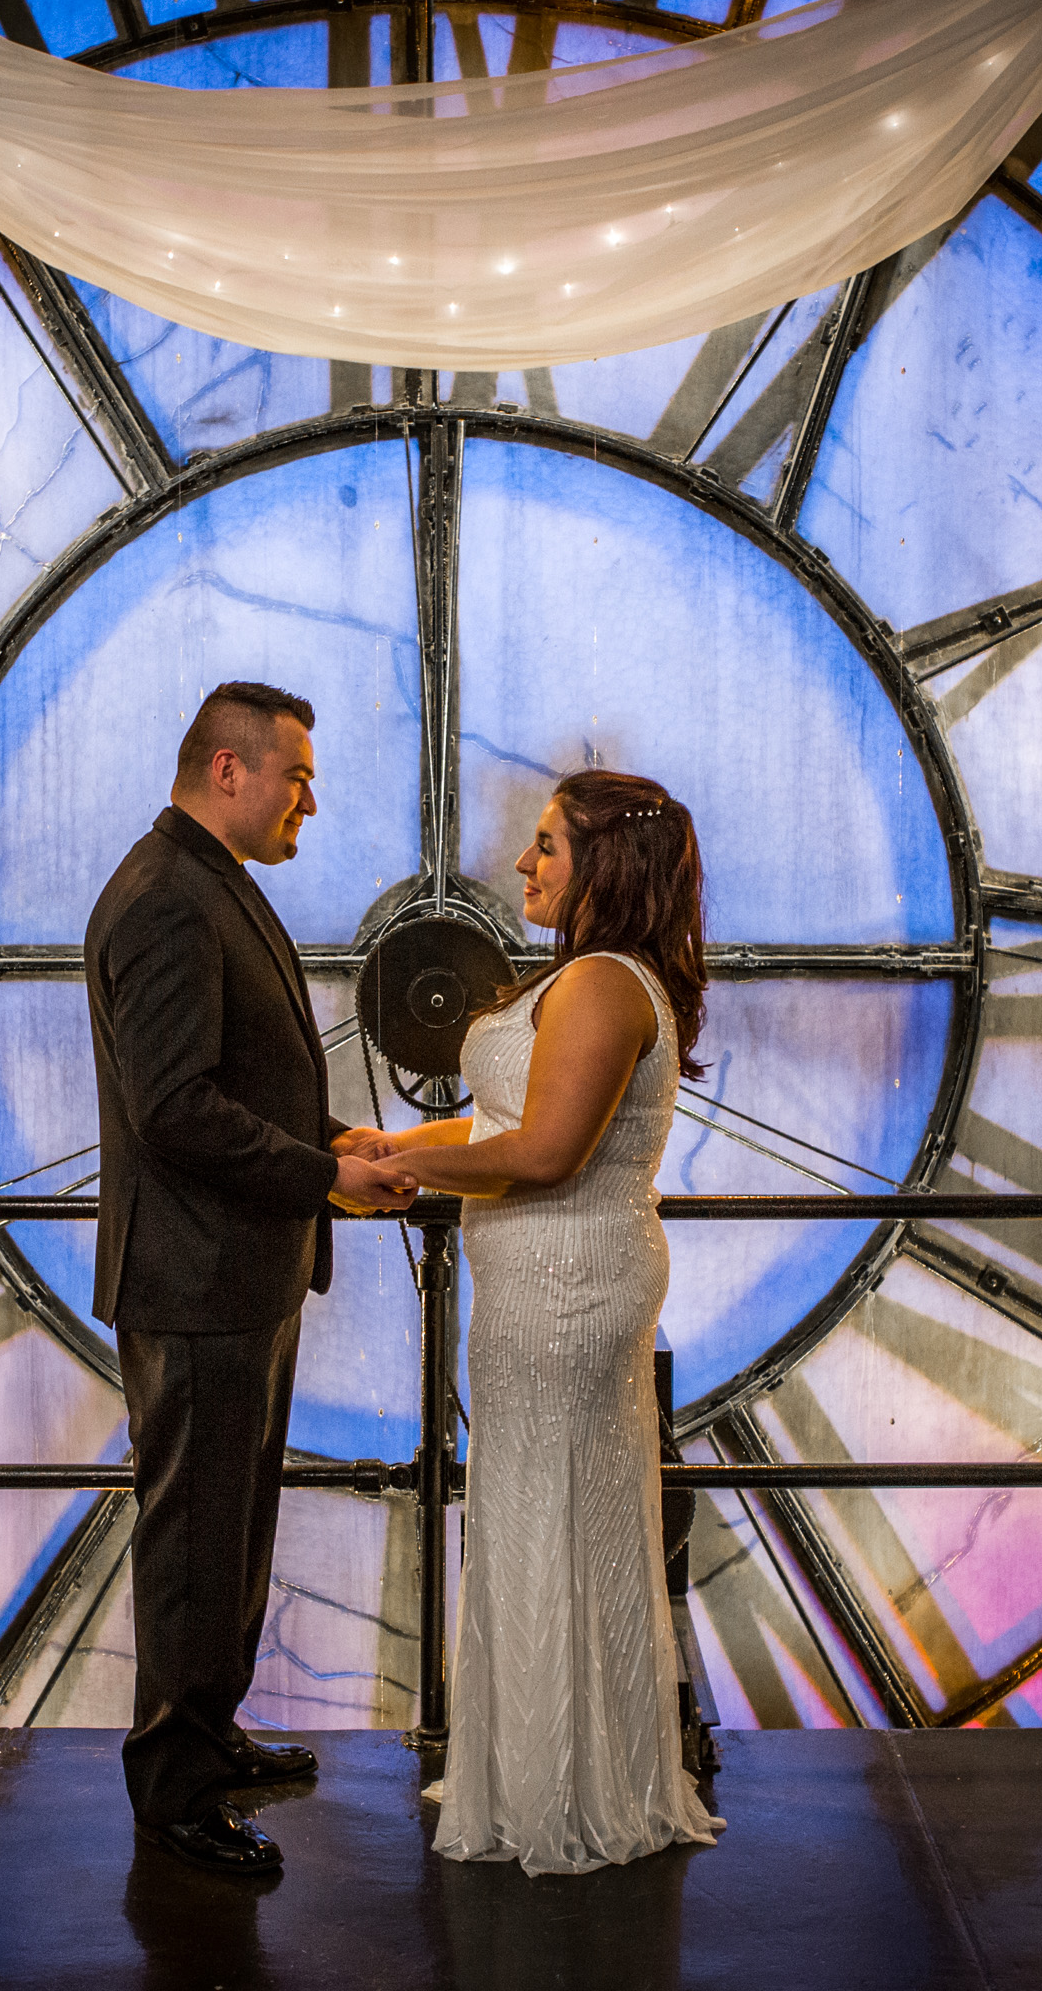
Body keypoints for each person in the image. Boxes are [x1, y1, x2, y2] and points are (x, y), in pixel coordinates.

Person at [86, 680, 415, 1878]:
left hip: (231, 1275)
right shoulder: (170, 897)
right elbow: (173, 1111)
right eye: (297, 776)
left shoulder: (195, 881)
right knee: (195, 1540)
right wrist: (321, 1175)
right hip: (201, 1279)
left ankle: (208, 1735)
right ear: (230, 769)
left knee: (226, 1529)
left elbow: (236, 1082)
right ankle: (174, 1792)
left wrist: (331, 1140)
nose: (309, 802)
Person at [381, 768, 725, 1877]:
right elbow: (497, 1122)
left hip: (565, 1286)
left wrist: (396, 1172)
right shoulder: (592, 980)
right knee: (543, 1508)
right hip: (547, 1281)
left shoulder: (600, 987)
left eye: (544, 846)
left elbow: (540, 1152)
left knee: (545, 1507)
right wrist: (384, 1149)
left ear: (603, 865)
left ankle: (560, 1781)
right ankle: (561, 1763)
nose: (521, 865)